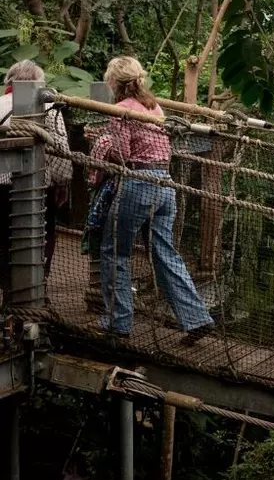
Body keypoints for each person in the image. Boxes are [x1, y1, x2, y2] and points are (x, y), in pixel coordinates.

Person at [90, 57, 214, 342]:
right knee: (164, 253)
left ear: (114, 83)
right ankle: (196, 318)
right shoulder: (152, 106)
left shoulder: (119, 110)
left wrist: (100, 143)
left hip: (138, 183)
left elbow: (121, 155)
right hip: (165, 185)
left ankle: (117, 321)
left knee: (114, 250)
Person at [0, 60, 73, 276]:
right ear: (38, 84)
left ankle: (7, 290)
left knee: (2, 240)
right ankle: (35, 290)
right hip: (38, 187)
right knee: (40, 237)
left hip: (1, 187)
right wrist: (62, 183)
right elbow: (61, 150)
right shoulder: (48, 107)